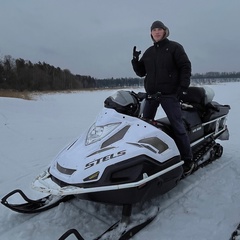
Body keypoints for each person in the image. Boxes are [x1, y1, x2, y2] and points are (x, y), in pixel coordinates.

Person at [131, 20, 194, 175]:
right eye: (154, 30)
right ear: (151, 33)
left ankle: (188, 160)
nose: (157, 32)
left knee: (178, 127)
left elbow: (185, 66)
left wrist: (182, 88)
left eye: (160, 29)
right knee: (144, 128)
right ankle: (145, 160)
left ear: (165, 31)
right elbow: (141, 72)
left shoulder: (174, 47)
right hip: (152, 96)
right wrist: (135, 60)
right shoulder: (149, 52)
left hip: (169, 95)